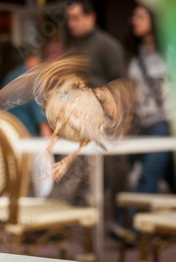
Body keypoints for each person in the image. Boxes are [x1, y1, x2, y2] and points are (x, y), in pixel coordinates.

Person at [47, 0, 131, 207]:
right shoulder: (72, 47)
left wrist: (113, 112)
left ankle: (127, 223)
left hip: (105, 120)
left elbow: (121, 83)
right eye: (69, 19)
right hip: (77, 120)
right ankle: (52, 221)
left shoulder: (107, 45)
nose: (71, 24)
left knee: (117, 172)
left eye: (76, 18)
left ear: (90, 16)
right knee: (70, 170)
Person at [111, 4, 173, 243]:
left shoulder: (169, 52)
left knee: (148, 176)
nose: (133, 20)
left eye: (140, 16)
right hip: (144, 125)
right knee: (148, 176)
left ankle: (128, 224)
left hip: (165, 124)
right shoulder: (136, 59)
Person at [0, 48, 54, 197]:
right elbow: (37, 107)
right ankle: (47, 203)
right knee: (44, 174)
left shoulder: (9, 77)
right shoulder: (33, 76)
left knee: (10, 176)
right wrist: (46, 133)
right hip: (26, 133)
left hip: (7, 133)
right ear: (31, 59)